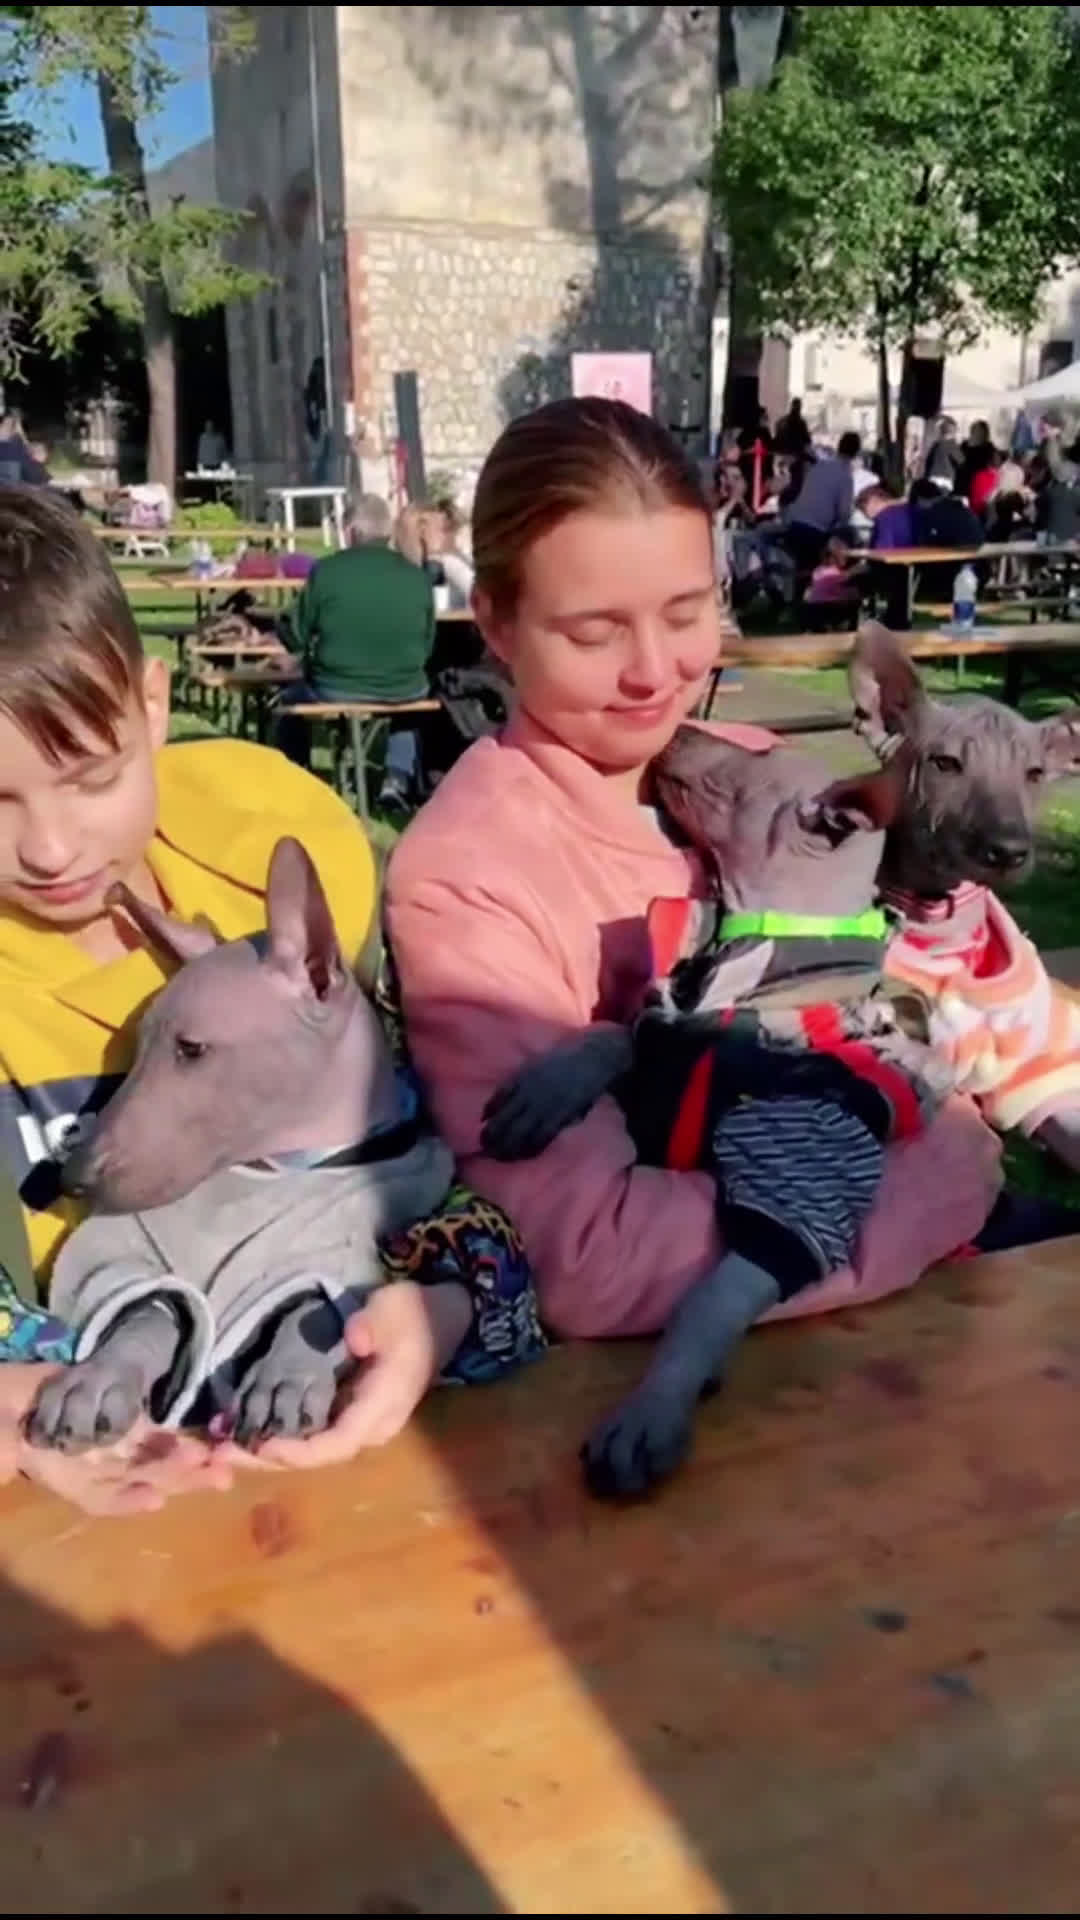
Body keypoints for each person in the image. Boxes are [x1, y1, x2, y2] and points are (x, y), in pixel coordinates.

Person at [384, 397, 1001, 1346]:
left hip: (921, 1314)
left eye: (687, 613)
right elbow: (592, 1260)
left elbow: (897, 1024)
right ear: (496, 624)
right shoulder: (471, 878)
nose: (654, 672)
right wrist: (941, 1181)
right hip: (755, 1382)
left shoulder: (752, 773)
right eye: (594, 633)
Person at [0, 486, 540, 1513]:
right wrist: (23, 1400)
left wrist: (441, 1317)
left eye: (91, 776)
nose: (51, 848)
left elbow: (444, 1209)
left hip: (358, 1497)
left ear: (153, 709)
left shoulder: (259, 890)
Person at [273, 490, 435, 809]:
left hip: (336, 686)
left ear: (349, 531)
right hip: (405, 683)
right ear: (387, 532)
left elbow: (296, 636)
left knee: (288, 703)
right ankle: (397, 778)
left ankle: (298, 779)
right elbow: (428, 640)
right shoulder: (417, 576)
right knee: (409, 703)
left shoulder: (327, 571)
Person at [781, 428, 862, 573]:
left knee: (799, 572)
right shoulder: (845, 475)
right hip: (815, 532)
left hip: (794, 524)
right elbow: (843, 514)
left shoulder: (820, 466)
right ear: (856, 453)